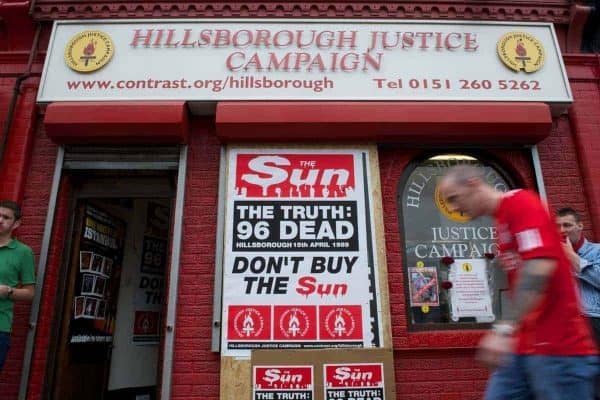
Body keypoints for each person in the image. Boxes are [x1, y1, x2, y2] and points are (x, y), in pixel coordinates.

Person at [439, 165, 598, 400]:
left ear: (473, 184)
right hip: (522, 348)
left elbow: (539, 267)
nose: (453, 208)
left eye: (454, 198)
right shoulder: (500, 223)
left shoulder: (522, 204)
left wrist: (503, 330)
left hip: (560, 349)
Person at [556, 207, 600, 346]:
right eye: (558, 226)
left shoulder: (597, 250)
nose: (562, 230)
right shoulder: (555, 258)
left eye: (567, 225)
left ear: (580, 226)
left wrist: (571, 256)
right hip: (567, 325)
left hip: (593, 319)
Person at [0, 200, 35, 372]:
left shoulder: (23, 252)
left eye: (6, 217)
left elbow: (30, 293)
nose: (0, 220)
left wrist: (8, 291)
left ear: (16, 223)